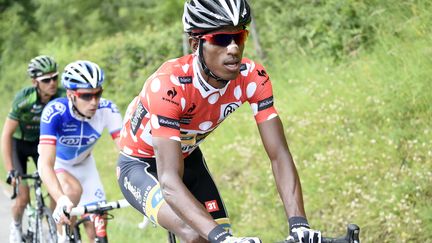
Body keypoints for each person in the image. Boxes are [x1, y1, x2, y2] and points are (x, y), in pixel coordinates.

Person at [117, 0, 321, 243]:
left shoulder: (253, 77)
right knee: (197, 234)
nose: (233, 48)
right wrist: (221, 239)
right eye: (221, 39)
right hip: (140, 165)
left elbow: (279, 154)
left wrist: (299, 225)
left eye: (240, 36)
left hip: (187, 156)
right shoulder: (168, 85)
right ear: (195, 44)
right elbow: (169, 181)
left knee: (219, 231)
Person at [37, 60, 123, 242]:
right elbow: (45, 164)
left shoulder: (107, 109)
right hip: (59, 165)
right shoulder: (55, 112)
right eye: (86, 96)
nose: (94, 102)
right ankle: (62, 237)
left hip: (86, 166)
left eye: (98, 94)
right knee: (71, 192)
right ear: (70, 94)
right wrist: (60, 198)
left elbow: (128, 150)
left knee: (97, 227)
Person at [1, 55, 65, 243]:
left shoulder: (62, 96)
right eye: (46, 80)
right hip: (19, 144)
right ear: (34, 81)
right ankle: (16, 226)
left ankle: (56, 228)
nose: (52, 83)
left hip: (43, 144)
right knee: (23, 197)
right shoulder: (24, 99)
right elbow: (6, 135)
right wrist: (10, 170)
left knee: (57, 188)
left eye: (55, 77)